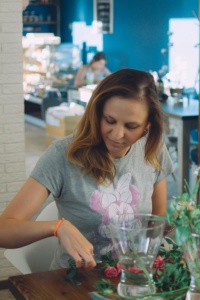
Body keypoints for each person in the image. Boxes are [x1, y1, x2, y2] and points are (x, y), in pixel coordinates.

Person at [0, 69, 174, 270]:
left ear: (147, 126)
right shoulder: (62, 156)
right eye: (109, 120)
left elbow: (156, 226)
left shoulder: (153, 149)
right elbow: (4, 230)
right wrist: (57, 227)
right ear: (96, 113)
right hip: (76, 283)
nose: (117, 134)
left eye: (131, 126)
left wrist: (185, 219)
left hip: (133, 279)